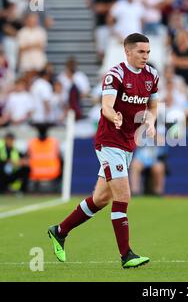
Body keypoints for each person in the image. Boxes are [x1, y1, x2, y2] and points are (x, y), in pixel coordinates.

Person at [47, 33, 159, 269]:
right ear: (127, 52)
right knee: (123, 197)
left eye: (148, 52)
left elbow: (153, 105)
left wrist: (151, 120)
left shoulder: (152, 75)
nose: (145, 56)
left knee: (101, 198)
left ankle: (59, 230)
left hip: (129, 143)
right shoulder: (115, 74)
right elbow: (106, 106)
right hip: (110, 141)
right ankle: (126, 255)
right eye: (141, 52)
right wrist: (114, 116)